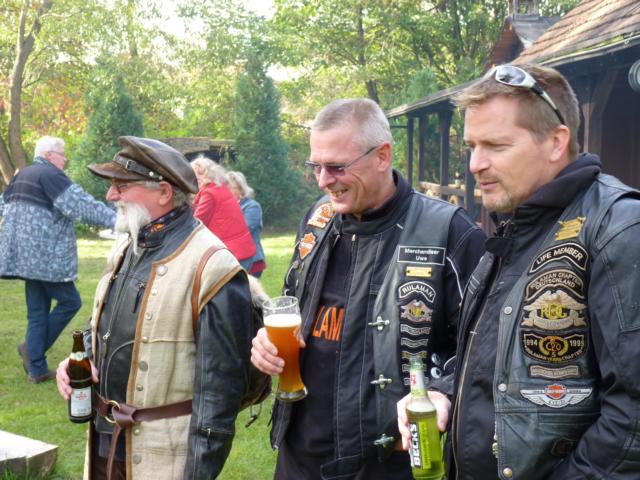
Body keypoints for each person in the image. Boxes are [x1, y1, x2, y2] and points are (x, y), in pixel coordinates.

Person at [397, 63, 640, 479]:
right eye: (472, 146)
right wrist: (445, 392)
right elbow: (499, 361)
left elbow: (632, 417)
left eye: (495, 146)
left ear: (555, 142)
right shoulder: (519, 227)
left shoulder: (619, 228)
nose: (475, 164)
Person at [250, 98, 486, 479]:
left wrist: (440, 390)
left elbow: (483, 346)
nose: (324, 180)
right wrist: (267, 341)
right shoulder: (317, 218)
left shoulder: (449, 232)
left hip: (388, 462)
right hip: (299, 456)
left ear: (382, 156)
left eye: (337, 167)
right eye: (316, 167)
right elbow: (295, 303)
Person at [55, 136, 254, 479]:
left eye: (121, 186)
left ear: (163, 192)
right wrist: (80, 358)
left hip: (165, 458)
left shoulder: (212, 266)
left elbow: (219, 394)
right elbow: (103, 324)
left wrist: (197, 473)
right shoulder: (128, 247)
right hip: (104, 442)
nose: (110, 195)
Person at [0, 136, 115, 383]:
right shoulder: (51, 176)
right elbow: (83, 207)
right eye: (62, 155)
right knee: (70, 302)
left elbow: (3, 207)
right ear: (50, 155)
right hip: (45, 258)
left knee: (37, 312)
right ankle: (31, 351)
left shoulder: (23, 175)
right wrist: (118, 221)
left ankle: (37, 369)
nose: (65, 159)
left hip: (23, 257)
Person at [190, 156, 256, 270]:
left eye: (195, 174)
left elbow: (195, 224)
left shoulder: (209, 193)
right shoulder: (220, 188)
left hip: (232, 255)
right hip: (242, 251)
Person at [227, 170, 266, 278]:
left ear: (241, 189)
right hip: (232, 260)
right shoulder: (225, 208)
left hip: (251, 261)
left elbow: (243, 230)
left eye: (230, 188)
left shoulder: (252, 206)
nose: (226, 191)